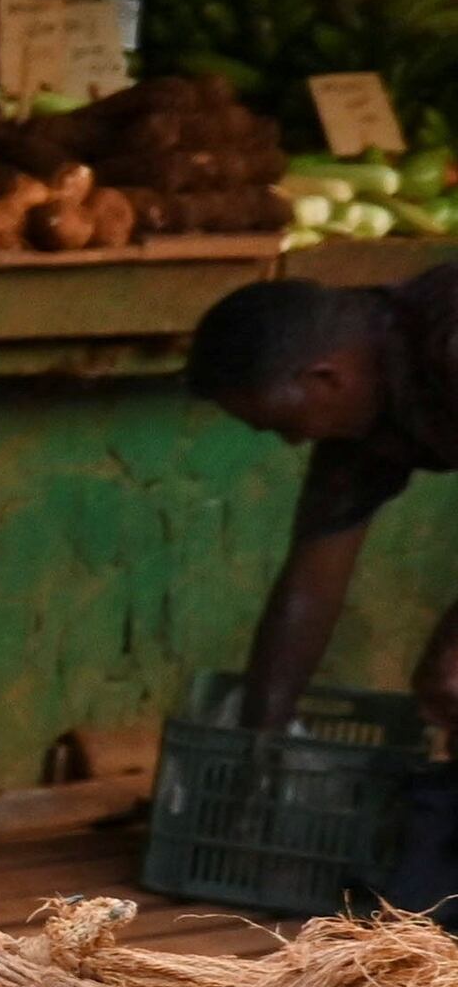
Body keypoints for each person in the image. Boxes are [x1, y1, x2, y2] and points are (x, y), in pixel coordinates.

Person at [188, 269, 458, 734]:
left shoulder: (447, 341)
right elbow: (314, 577)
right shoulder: (359, 416)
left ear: (326, 378)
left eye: (284, 425)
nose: (294, 442)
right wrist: (265, 736)